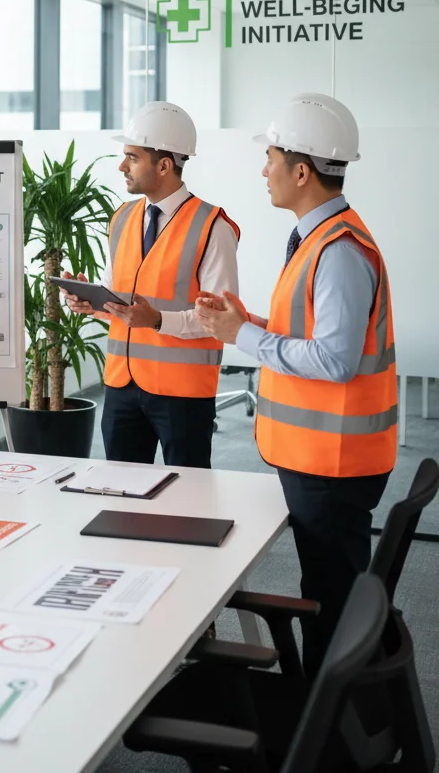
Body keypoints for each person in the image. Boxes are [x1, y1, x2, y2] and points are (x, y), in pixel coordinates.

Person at [195, 93, 395, 677]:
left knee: (331, 602)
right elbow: (310, 332)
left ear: (302, 171)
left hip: (334, 463)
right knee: (327, 591)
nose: (265, 170)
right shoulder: (318, 239)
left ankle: (330, 716)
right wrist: (249, 322)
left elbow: (334, 361)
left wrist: (242, 337)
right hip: (323, 457)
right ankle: (333, 709)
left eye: (272, 158)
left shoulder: (338, 252)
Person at [62, 101, 240, 469]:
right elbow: (117, 299)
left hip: (183, 393)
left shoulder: (212, 227)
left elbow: (220, 321)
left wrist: (157, 320)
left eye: (132, 157)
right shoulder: (122, 219)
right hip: (121, 388)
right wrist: (90, 303)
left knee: (188, 493)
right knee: (121, 488)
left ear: (164, 165)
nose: (122, 166)